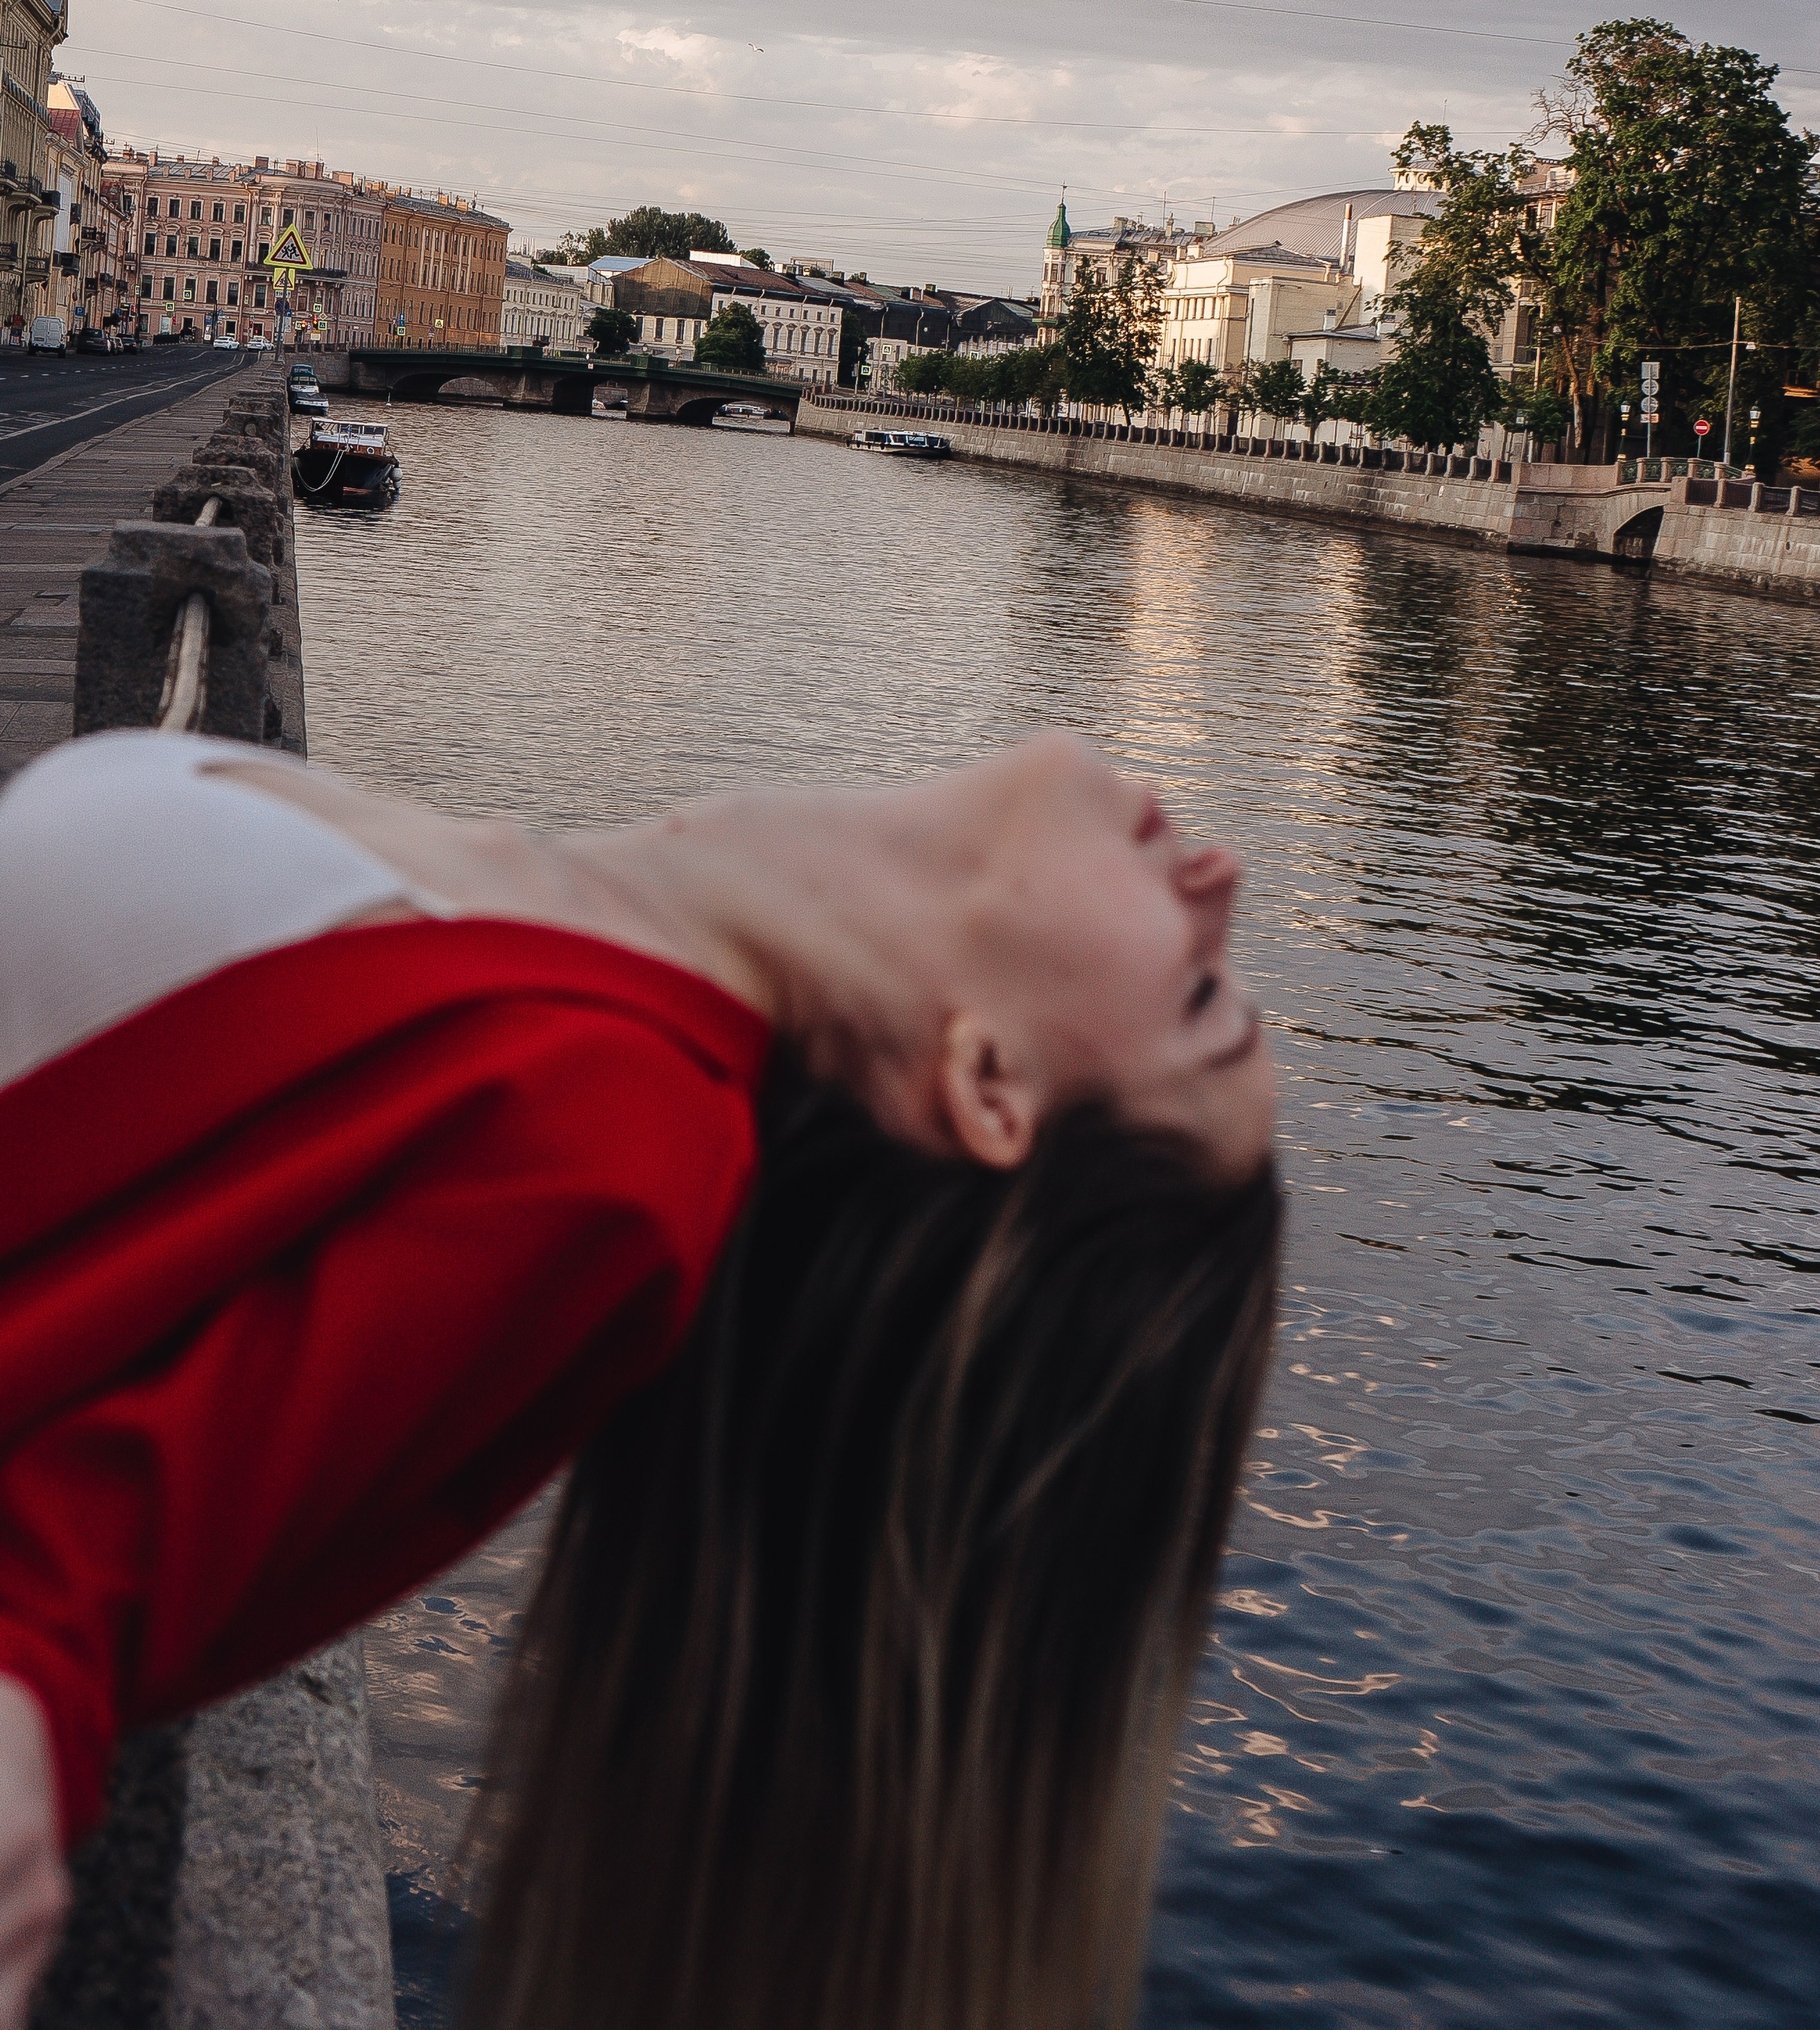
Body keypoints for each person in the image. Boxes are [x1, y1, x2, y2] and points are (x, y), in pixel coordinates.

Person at [0, 726, 1280, 2030]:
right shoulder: (591, 958)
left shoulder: (617, 1154)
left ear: (992, 1082)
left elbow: (53, 1599)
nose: (1222, 876)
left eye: (1199, 999)